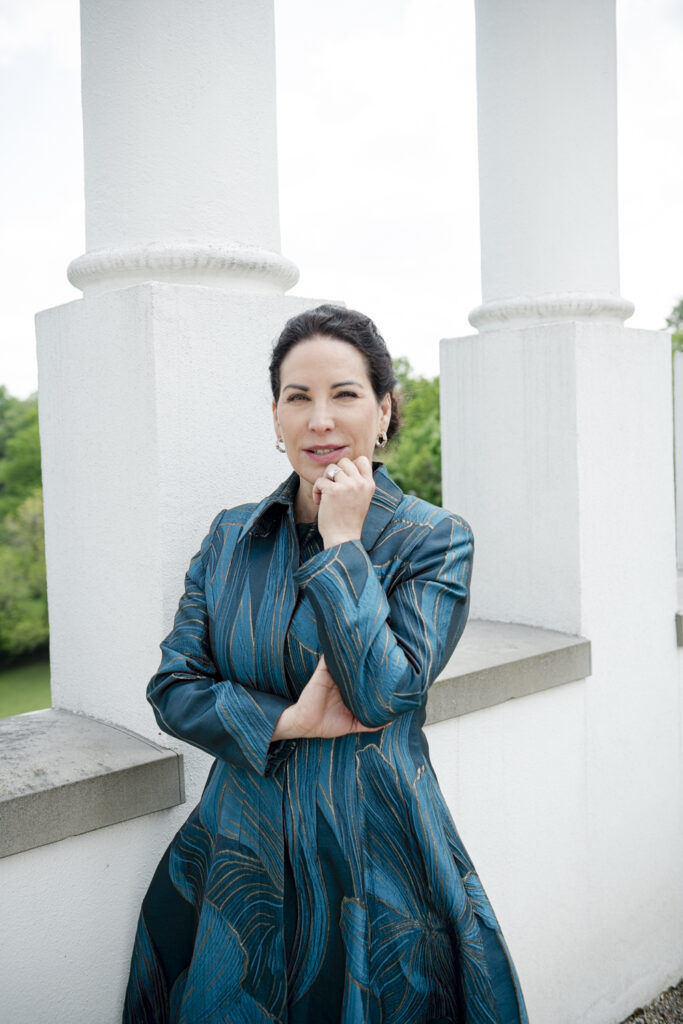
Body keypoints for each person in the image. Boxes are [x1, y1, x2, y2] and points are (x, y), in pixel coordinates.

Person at [123, 304, 528, 1024]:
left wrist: (344, 545)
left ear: (383, 411)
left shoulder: (433, 541)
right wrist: (286, 720)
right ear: (274, 416)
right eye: (297, 397)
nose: (319, 420)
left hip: (376, 861)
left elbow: (381, 696)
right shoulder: (230, 537)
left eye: (343, 394)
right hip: (238, 852)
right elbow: (173, 688)